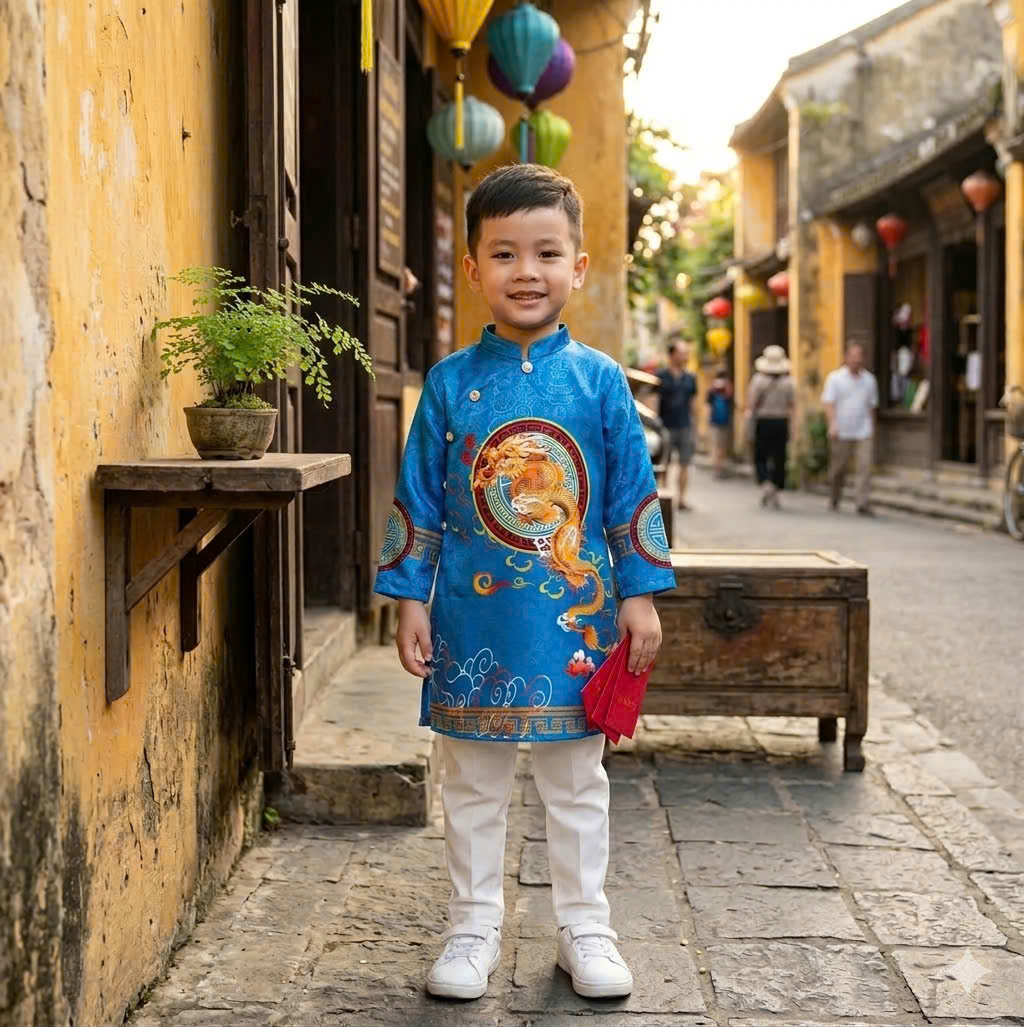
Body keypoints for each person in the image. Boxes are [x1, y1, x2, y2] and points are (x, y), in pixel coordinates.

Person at [374, 164, 675, 1003]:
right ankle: (473, 926)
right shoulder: (447, 383)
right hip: (472, 622)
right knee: (471, 782)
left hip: (577, 624)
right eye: (504, 254)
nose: (527, 271)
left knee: (577, 782)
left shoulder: (600, 381)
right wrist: (409, 598)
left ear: (579, 265)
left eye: (546, 252)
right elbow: (420, 499)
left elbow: (629, 493)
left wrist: (638, 594)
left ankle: (585, 926)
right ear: (473, 269)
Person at [822, 342, 879, 514]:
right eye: (853, 356)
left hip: (863, 430)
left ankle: (862, 503)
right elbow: (829, 403)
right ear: (846, 357)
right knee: (838, 469)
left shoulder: (869, 380)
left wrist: (872, 427)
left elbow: (872, 406)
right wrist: (832, 424)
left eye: (859, 356)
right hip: (841, 429)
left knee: (864, 467)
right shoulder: (835, 378)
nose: (856, 360)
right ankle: (834, 497)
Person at [745, 345, 795, 509]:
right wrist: (792, 426)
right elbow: (792, 406)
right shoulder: (789, 382)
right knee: (780, 457)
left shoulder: (758, 381)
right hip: (781, 421)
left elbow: (752, 404)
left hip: (763, 421)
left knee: (761, 456)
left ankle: (765, 484)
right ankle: (776, 488)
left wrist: (749, 422)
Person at [655, 337, 698, 510]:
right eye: (681, 353)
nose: (685, 356)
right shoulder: (661, 376)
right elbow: (655, 401)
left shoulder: (690, 378)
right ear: (671, 355)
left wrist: (695, 426)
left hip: (684, 425)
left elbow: (693, 403)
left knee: (685, 463)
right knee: (664, 464)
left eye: (686, 353)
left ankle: (682, 499)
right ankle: (665, 498)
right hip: (665, 425)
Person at [705, 365, 734, 479]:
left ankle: (716, 469)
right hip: (725, 421)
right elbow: (732, 402)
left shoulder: (712, 387)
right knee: (723, 446)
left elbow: (708, 405)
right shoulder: (728, 386)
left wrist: (707, 419)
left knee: (715, 446)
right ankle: (721, 468)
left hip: (714, 420)